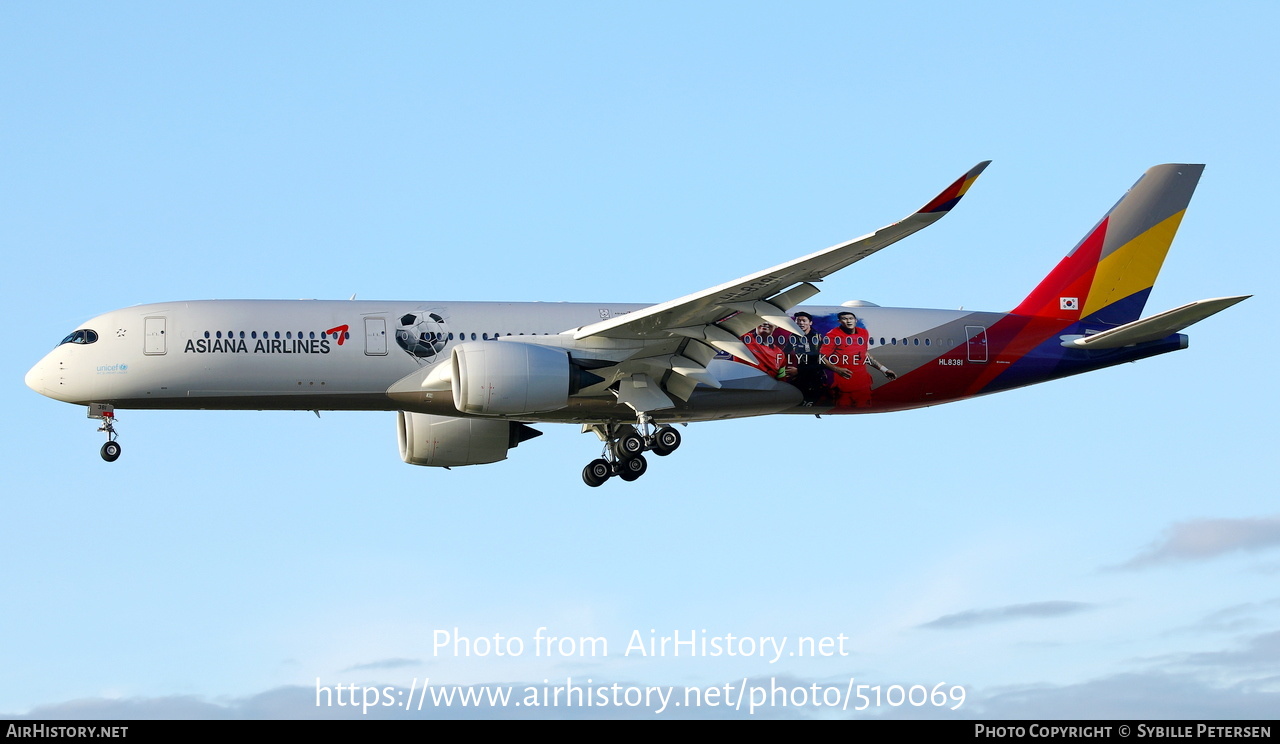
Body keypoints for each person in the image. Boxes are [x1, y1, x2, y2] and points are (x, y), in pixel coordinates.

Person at [819, 311, 896, 408]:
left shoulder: (863, 332)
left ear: (855, 320)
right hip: (844, 386)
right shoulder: (833, 335)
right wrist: (837, 369)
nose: (848, 321)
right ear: (839, 321)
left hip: (863, 385)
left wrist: (884, 369)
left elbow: (865, 355)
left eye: (850, 318)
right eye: (845, 319)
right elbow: (821, 357)